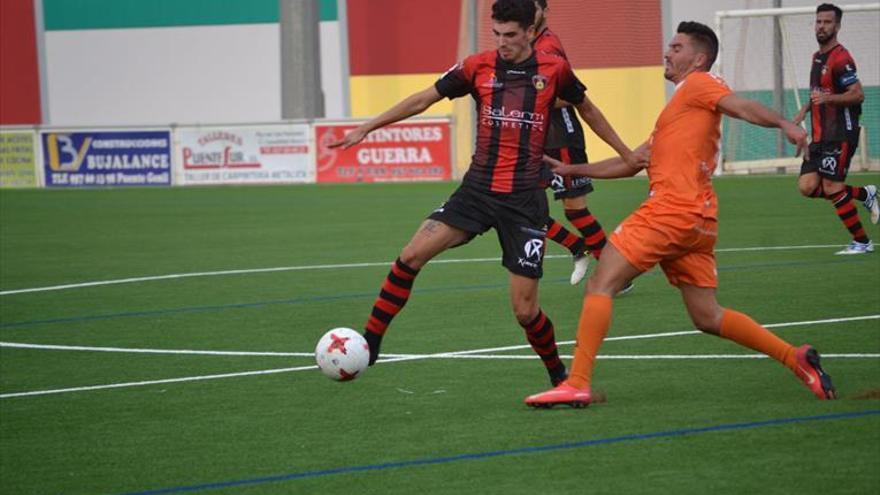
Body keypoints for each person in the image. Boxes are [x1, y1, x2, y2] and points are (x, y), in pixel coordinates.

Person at [525, 21, 836, 408]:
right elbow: (633, 162)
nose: (668, 52)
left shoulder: (701, 84)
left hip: (671, 211)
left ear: (699, 58)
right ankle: (796, 357)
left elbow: (740, 106)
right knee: (707, 316)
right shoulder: (678, 109)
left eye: (677, 47)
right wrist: (570, 171)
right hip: (697, 220)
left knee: (601, 282)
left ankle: (578, 382)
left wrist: (783, 123)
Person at [329, 0, 638, 386]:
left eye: (511, 35)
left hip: (524, 202)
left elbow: (588, 111)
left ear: (530, 31)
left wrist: (627, 155)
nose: (503, 42)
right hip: (476, 191)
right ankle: (371, 344)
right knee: (410, 256)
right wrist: (368, 127)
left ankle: (560, 378)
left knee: (525, 312)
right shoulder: (478, 66)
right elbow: (424, 98)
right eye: (497, 34)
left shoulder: (554, 70)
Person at [531, 0, 634, 292]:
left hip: (561, 136)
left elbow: (570, 95)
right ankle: (578, 247)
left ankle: (616, 275)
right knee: (524, 207)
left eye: (533, 7)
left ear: (543, 11)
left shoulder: (548, 46)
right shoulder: (526, 42)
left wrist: (529, 99)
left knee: (575, 210)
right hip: (536, 139)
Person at [793, 3, 878, 255]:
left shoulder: (842, 58)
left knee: (831, 187)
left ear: (837, 26)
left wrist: (828, 99)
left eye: (827, 22)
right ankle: (865, 194)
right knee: (807, 186)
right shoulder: (816, 57)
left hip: (841, 133)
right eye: (818, 22)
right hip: (820, 134)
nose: (821, 26)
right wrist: (803, 111)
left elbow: (857, 94)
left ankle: (862, 242)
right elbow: (818, 93)